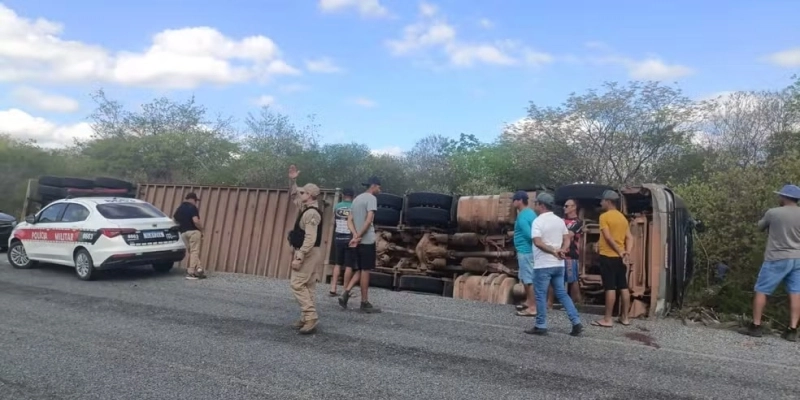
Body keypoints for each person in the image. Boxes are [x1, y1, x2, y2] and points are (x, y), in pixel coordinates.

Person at [744, 184, 800, 342]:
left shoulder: (773, 212)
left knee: (762, 290)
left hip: (776, 257)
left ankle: (756, 326)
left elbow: (759, 227)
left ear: (784, 197)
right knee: (796, 293)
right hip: (798, 258)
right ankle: (792, 329)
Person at [526, 192, 583, 336]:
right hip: (559, 264)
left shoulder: (538, 221)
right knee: (562, 294)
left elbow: (537, 242)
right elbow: (567, 239)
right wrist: (562, 250)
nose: (536, 206)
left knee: (540, 294)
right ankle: (576, 321)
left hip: (543, 264)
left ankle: (541, 325)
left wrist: (552, 251)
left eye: (537, 203)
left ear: (542, 205)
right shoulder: (559, 221)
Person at [287, 165, 325, 334]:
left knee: (297, 283)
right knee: (308, 285)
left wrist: (300, 255)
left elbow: (310, 238)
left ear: (310, 195)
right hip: (310, 252)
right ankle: (306, 317)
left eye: (303, 193)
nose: (300, 194)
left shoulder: (311, 214)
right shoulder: (306, 208)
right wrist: (293, 180)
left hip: (308, 252)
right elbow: (293, 194)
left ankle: (310, 317)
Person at [338, 176, 382, 313]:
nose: (380, 189)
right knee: (366, 270)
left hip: (356, 239)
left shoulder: (356, 199)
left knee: (361, 268)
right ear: (373, 186)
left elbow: (349, 220)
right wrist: (360, 236)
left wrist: (355, 235)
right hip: (367, 239)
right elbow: (369, 220)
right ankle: (364, 302)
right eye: (379, 187)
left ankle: (345, 293)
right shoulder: (372, 199)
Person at [592, 190, 634, 328]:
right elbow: (630, 237)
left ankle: (607, 319)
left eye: (602, 200)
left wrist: (620, 251)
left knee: (610, 287)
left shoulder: (604, 217)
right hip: (620, 258)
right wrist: (626, 252)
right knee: (623, 286)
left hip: (608, 256)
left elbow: (608, 237)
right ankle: (625, 318)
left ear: (608, 201)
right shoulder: (623, 218)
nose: (600, 202)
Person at [512, 191, 538, 317]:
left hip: (525, 251)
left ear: (520, 201)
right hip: (527, 251)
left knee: (528, 280)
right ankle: (529, 301)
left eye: (514, 200)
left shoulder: (522, 216)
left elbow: (529, 234)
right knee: (525, 277)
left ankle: (533, 307)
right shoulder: (531, 213)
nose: (513, 202)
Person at [173, 192, 206, 280]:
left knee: (192, 252)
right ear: (192, 199)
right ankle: (191, 272)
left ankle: (199, 269)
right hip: (193, 232)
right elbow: (196, 221)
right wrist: (202, 230)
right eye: (195, 200)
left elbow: (175, 220)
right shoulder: (192, 207)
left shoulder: (179, 209)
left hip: (183, 233)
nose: (196, 202)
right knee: (195, 251)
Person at [329, 187, 355, 296]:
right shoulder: (354, 207)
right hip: (349, 237)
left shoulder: (337, 206)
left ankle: (333, 288)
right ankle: (345, 289)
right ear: (353, 196)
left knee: (337, 263)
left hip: (338, 236)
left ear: (343, 195)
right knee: (349, 265)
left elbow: (333, 220)